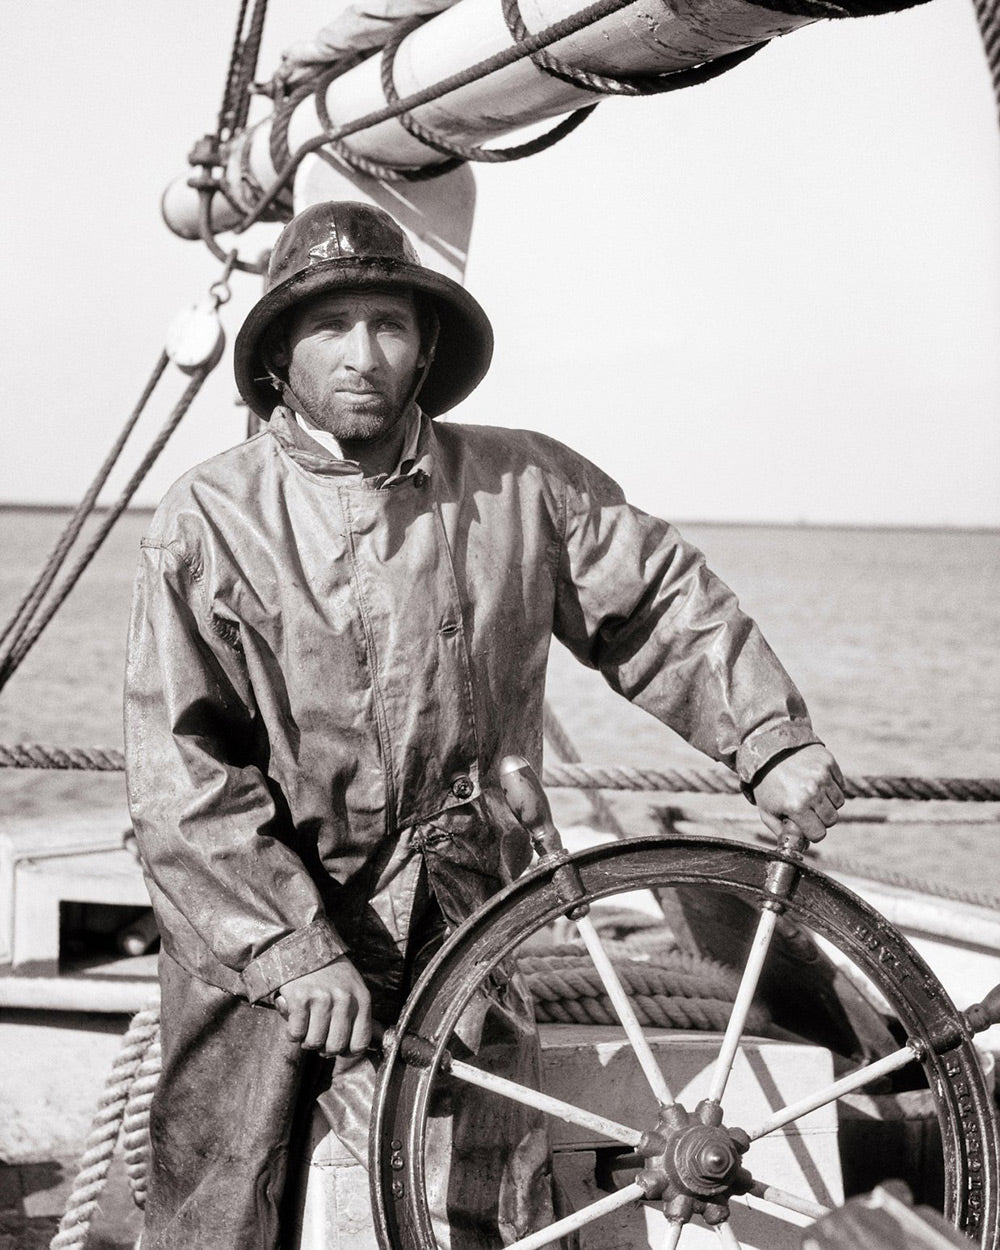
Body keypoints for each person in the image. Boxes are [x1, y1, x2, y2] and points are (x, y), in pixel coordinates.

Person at [124, 199, 845, 1250]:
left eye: (388, 324)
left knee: (478, 1200)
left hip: (465, 916)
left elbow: (656, 605)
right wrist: (291, 947)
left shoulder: (524, 483)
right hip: (261, 936)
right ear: (279, 353)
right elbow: (183, 773)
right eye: (329, 326)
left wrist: (769, 737)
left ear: (424, 350)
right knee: (223, 1201)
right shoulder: (209, 518)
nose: (361, 353)